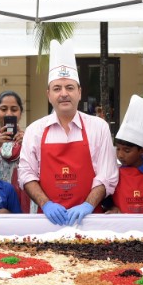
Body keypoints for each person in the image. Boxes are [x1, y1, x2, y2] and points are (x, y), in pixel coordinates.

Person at [19, 40, 118, 226]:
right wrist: (46, 204)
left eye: (70, 88)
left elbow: (108, 175)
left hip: (90, 221)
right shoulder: (35, 130)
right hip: (47, 222)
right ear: (48, 94)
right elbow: (26, 174)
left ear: (80, 92)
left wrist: (87, 205)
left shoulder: (99, 127)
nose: (63, 93)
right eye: (57, 88)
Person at [106, 96, 143, 214]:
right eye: (118, 149)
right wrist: (112, 208)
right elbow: (107, 200)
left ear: (142, 151)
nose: (120, 155)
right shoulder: (114, 173)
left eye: (127, 150)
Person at [0, 90, 28, 210]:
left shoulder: (31, 138)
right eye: (3, 109)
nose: (9, 114)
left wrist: (27, 145)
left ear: (20, 113)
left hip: (25, 197)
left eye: (14, 109)